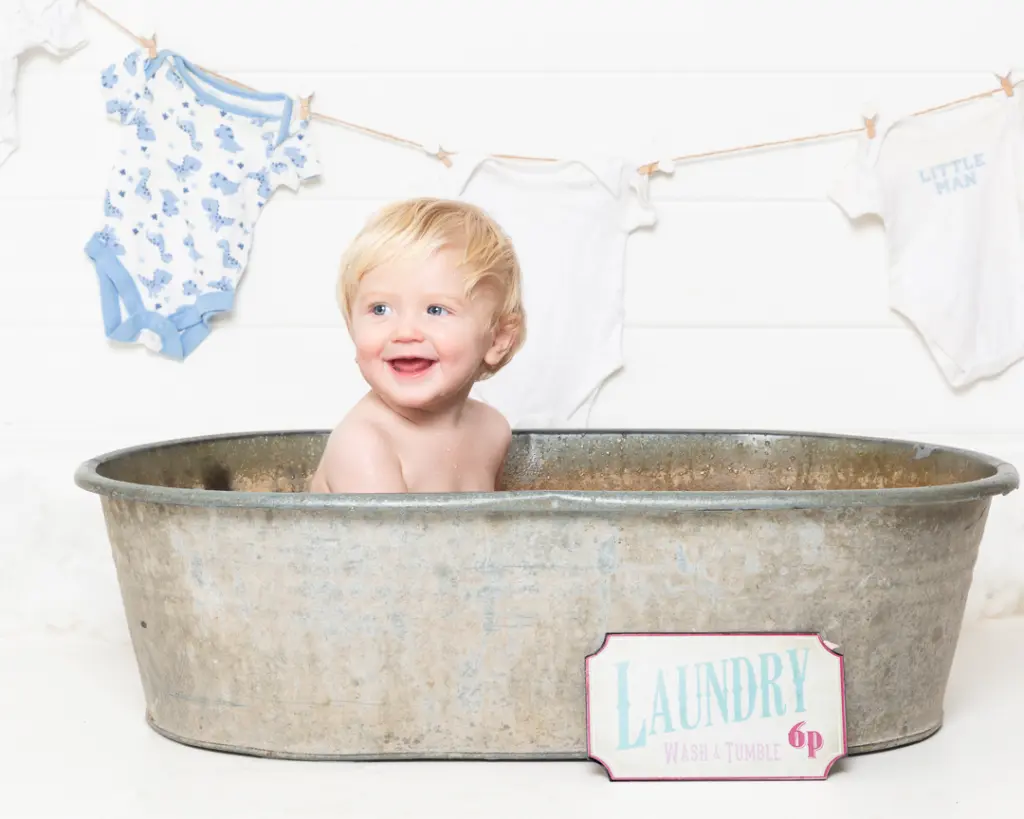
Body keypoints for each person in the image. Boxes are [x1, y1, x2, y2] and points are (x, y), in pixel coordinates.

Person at [309, 197, 527, 493]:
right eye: (380, 309)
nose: (405, 332)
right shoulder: (365, 447)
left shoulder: (492, 431)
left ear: (499, 338)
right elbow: (388, 542)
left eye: (435, 310)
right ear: (351, 328)